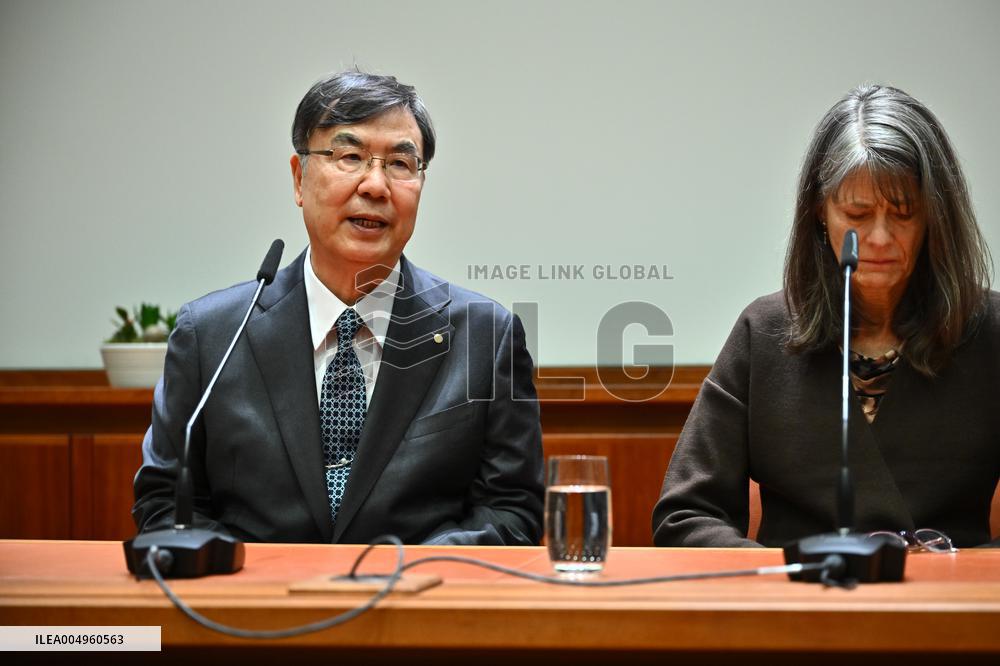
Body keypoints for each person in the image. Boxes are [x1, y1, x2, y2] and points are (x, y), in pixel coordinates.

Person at [133, 70, 544, 545]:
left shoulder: (484, 335)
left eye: (400, 165)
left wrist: (401, 574)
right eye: (349, 156)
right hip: (254, 612)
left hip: (417, 606)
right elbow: (165, 505)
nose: (375, 185)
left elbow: (514, 511)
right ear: (298, 179)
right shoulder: (211, 335)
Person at [652, 84, 998, 549]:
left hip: (949, 608)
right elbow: (686, 514)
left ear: (935, 217)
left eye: (903, 213)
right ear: (820, 211)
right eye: (857, 212)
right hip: (799, 606)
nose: (878, 237)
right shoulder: (765, 331)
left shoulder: (990, 331)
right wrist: (781, 578)